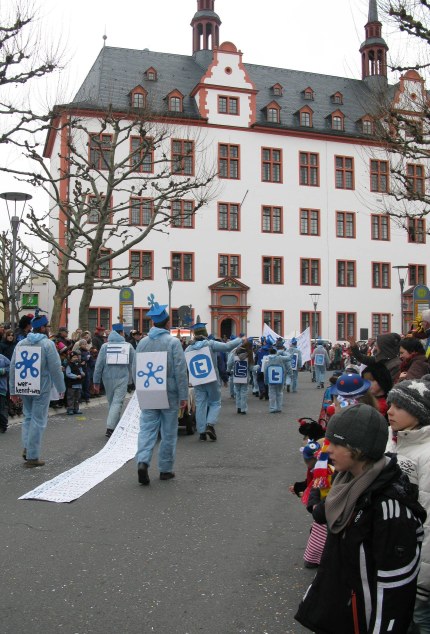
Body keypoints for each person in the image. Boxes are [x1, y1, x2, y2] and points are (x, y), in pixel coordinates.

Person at [295, 403, 426, 633]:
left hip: (363, 619)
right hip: (341, 609)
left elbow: (394, 588)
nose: (327, 450)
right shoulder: (345, 480)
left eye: (336, 443)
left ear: (360, 449)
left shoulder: (388, 508)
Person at [386, 376, 430, 633]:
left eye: (399, 407)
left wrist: (423, 584)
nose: (390, 411)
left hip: (417, 574)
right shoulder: (398, 440)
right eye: (390, 404)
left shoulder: (425, 455)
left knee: (419, 621)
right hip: (400, 560)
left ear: (418, 412)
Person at [134, 297, 188, 485]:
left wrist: (139, 389)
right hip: (170, 392)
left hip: (149, 389)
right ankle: (165, 469)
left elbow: (136, 369)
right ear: (167, 322)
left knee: (147, 429)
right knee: (168, 431)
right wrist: (183, 395)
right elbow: (180, 369)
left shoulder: (141, 343)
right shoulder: (173, 343)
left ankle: (142, 461)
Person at [9, 311, 65, 467]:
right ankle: (32, 456)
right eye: (46, 326)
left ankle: (27, 447)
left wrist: (13, 390)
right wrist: (61, 387)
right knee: (38, 420)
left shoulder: (21, 343)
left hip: (25, 385)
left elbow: (14, 367)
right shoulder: (47, 344)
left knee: (28, 417)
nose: (48, 328)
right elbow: (55, 368)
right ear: (41, 328)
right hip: (42, 386)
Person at [186, 322, 244, 441]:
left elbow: (184, 364)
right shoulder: (210, 344)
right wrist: (240, 339)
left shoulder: (188, 348)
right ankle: (210, 425)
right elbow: (228, 347)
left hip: (198, 380)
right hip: (211, 378)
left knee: (201, 404)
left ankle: (201, 432)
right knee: (215, 402)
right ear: (205, 334)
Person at [93, 323, 135, 438]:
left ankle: (115, 427)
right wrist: (136, 380)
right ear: (121, 333)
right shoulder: (128, 346)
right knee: (117, 402)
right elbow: (134, 364)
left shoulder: (105, 346)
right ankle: (110, 428)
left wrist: (96, 381)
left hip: (107, 378)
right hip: (122, 378)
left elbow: (99, 365)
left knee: (112, 402)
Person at [227, 339, 254, 414]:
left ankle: (238, 407)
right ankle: (243, 409)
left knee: (237, 391)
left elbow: (229, 363)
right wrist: (258, 367)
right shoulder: (249, 354)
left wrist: (228, 370)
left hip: (236, 374)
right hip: (245, 376)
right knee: (244, 392)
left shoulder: (235, 352)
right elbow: (251, 368)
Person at [264, 346, 292, 413]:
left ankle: (272, 408)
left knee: (271, 393)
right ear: (276, 352)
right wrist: (283, 352)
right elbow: (290, 357)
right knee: (279, 393)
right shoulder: (280, 358)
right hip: (280, 378)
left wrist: (265, 379)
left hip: (270, 378)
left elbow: (265, 369)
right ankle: (279, 407)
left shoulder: (267, 358)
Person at [65, 351, 85, 415]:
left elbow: (81, 371)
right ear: (70, 358)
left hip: (78, 384)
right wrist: (76, 376)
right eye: (74, 357)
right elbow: (68, 373)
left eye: (76, 357)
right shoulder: (69, 365)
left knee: (77, 397)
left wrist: (82, 373)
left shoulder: (78, 364)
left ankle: (76, 408)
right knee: (71, 397)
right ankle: (70, 408)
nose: (75, 358)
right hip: (72, 384)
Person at [0, 352, 10, 432]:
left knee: (1, 409)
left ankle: (3, 426)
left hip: (1, 388)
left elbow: (11, 368)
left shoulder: (2, 358)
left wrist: (3, 371)